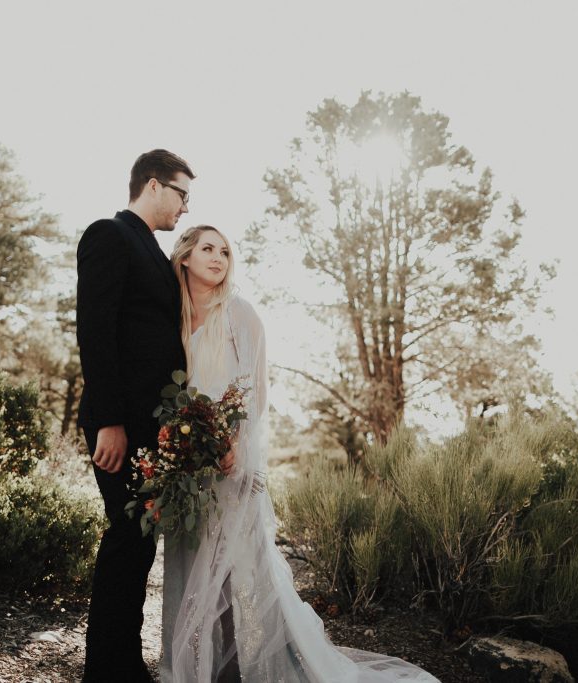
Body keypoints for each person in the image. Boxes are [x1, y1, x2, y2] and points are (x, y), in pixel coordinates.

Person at [160, 225, 441, 683]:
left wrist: (235, 447)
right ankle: (196, 664)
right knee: (191, 566)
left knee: (235, 566)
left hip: (231, 461)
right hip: (189, 464)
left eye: (225, 251)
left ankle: (245, 667)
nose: (218, 258)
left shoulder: (241, 314)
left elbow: (254, 392)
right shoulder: (171, 316)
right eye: (207, 249)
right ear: (185, 257)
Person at [76, 149, 195, 682]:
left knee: (139, 542)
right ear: (153, 184)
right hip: (118, 421)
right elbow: (95, 330)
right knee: (127, 537)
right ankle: (107, 668)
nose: (185, 207)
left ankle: (122, 662)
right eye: (182, 194)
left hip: (151, 426)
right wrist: (109, 421)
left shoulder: (153, 251)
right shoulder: (109, 234)